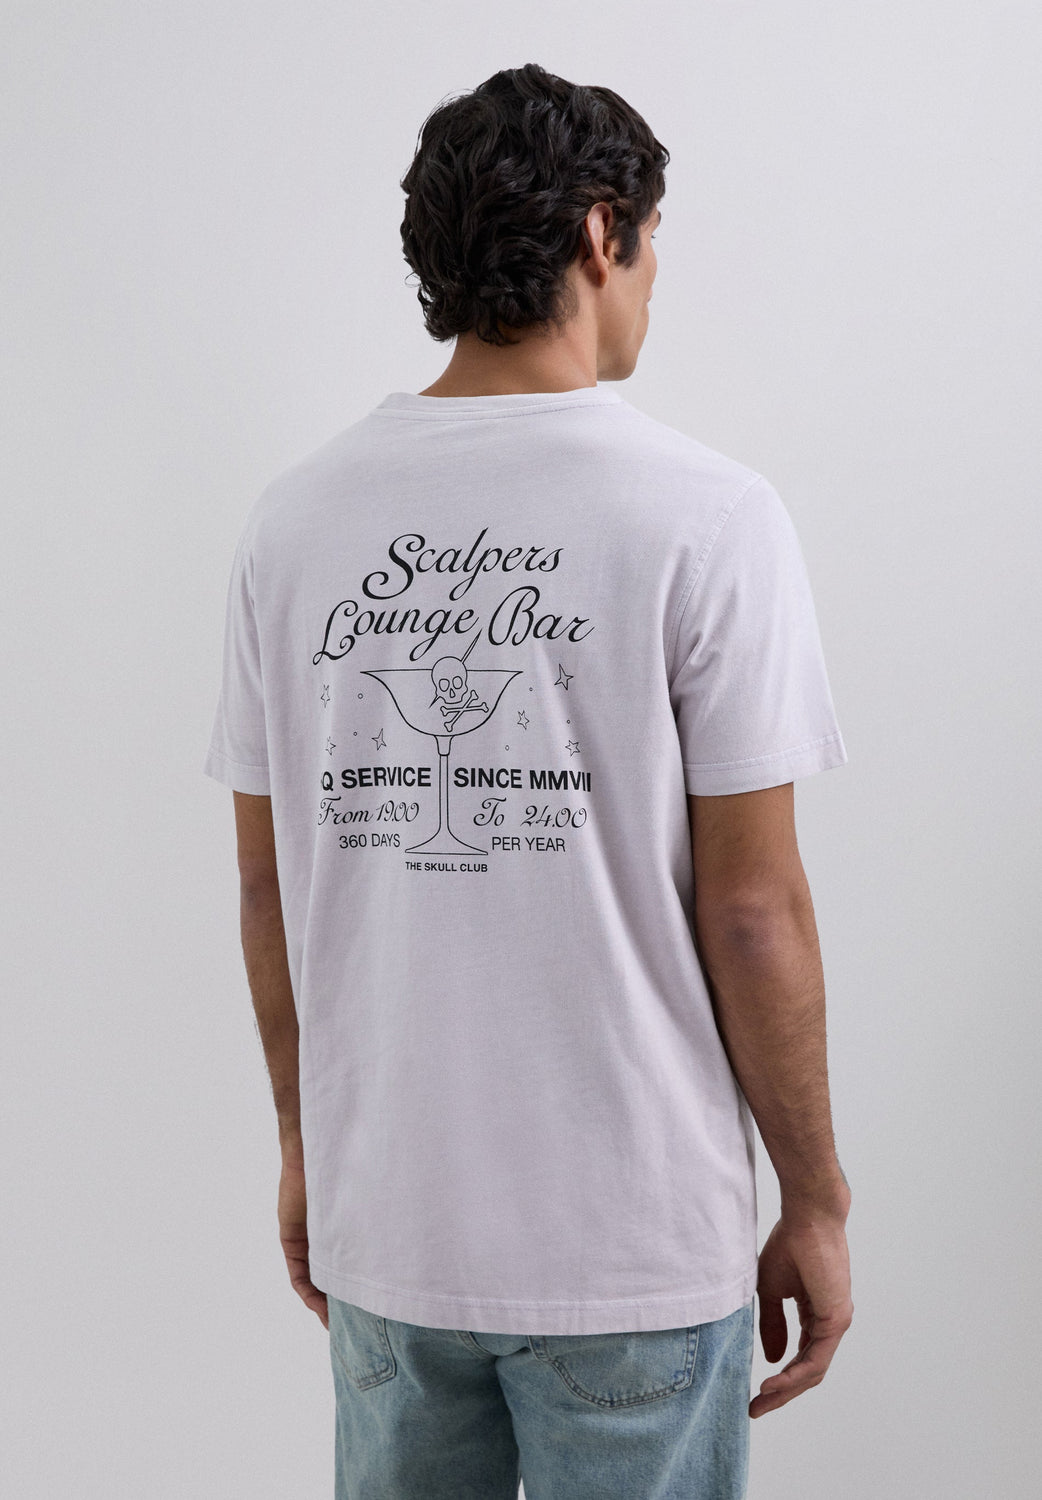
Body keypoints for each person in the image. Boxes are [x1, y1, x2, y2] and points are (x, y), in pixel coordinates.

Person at [204, 61, 853, 1500]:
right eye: (652, 240)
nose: (653, 278)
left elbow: (267, 881)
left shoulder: (293, 524)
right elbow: (755, 912)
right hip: (629, 1250)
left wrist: (306, 1147)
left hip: (392, 1232)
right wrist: (815, 1196)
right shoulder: (708, 518)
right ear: (601, 233)